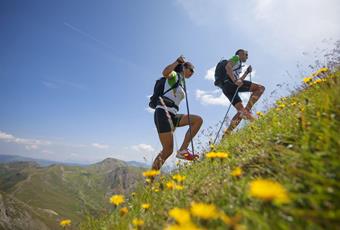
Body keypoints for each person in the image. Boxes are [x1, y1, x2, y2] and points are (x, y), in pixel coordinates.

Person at [151, 56, 203, 171]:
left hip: (173, 114)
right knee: (167, 150)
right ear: (184, 67)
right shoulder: (174, 75)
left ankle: (183, 150)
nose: (192, 73)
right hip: (163, 112)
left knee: (197, 120)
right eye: (191, 70)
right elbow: (165, 72)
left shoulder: (182, 82)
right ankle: (150, 180)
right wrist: (177, 62)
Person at [214, 49, 265, 135]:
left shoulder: (238, 65)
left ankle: (226, 135)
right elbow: (228, 67)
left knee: (241, 111)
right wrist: (234, 80)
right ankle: (248, 112)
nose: (247, 57)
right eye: (246, 54)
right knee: (260, 88)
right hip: (230, 83)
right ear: (240, 53)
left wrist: (246, 72)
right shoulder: (236, 57)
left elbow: (239, 81)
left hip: (226, 87)